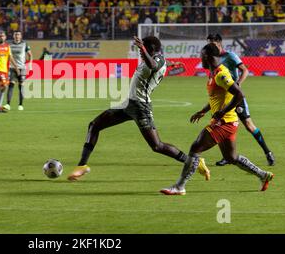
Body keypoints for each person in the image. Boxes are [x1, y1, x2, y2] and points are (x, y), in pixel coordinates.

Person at [67, 36, 210, 181]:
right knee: (94, 125)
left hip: (141, 106)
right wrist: (172, 63)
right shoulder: (158, 59)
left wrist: (143, 49)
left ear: (150, 49)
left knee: (157, 146)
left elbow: (154, 65)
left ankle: (193, 162)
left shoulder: (155, 60)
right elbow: (160, 62)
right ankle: (82, 165)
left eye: (143, 48)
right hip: (128, 104)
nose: (140, 52)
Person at [160, 44, 274, 195]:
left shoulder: (221, 74)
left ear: (207, 56)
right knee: (231, 157)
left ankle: (180, 186)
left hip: (224, 123)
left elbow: (239, 95)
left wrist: (222, 112)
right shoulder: (213, 74)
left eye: (201, 55)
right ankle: (263, 175)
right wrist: (203, 111)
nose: (200, 58)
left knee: (195, 148)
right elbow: (216, 97)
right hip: (229, 122)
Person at [207, 34, 275, 166]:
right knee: (220, 124)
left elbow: (245, 70)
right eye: (208, 43)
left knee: (249, 126)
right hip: (223, 98)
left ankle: (268, 152)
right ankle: (227, 156)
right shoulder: (213, 59)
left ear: (219, 43)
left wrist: (238, 83)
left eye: (212, 43)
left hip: (235, 96)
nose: (210, 46)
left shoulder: (230, 56)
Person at [5, 31, 32, 111]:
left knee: (21, 86)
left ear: (21, 36)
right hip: (12, 68)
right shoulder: (9, 45)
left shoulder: (25, 44)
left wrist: (29, 64)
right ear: (13, 36)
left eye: (18, 34)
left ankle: (20, 105)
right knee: (11, 85)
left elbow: (30, 55)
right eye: (15, 34)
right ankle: (8, 104)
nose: (17, 36)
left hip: (22, 68)